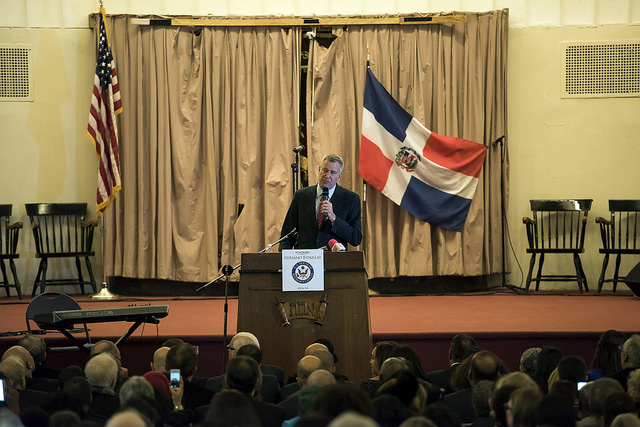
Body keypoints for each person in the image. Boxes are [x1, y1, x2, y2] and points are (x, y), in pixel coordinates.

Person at [279, 153, 362, 250]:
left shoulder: (350, 199)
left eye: (333, 172)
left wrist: (334, 219)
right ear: (319, 169)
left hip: (333, 260)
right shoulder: (301, 195)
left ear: (339, 176)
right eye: (325, 170)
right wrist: (285, 259)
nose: (327, 176)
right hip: (305, 261)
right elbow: (287, 234)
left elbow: (355, 238)